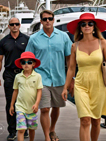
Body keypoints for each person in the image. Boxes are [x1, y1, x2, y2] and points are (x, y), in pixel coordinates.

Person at [61, 13, 106, 141]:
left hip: (99, 84)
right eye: (83, 24)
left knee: (96, 121)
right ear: (80, 28)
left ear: (94, 27)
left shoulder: (102, 43)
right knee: (85, 120)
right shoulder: (75, 46)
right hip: (81, 84)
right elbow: (71, 69)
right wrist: (65, 87)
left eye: (90, 23)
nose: (87, 26)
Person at [25, 10, 72, 141]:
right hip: (41, 79)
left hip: (59, 78)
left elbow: (69, 60)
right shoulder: (34, 39)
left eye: (50, 19)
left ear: (53, 20)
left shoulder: (63, 37)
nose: (47, 21)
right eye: (45, 19)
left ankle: (52, 130)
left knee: (56, 107)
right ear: (41, 21)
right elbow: (28, 59)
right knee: (45, 108)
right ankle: (47, 136)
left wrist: (71, 79)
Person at [0, 17, 29, 141]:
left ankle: (23, 129)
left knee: (25, 102)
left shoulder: (26, 39)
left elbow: (32, 58)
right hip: (9, 74)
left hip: (24, 74)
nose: (14, 26)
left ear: (19, 25)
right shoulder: (3, 41)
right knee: (11, 102)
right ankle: (12, 130)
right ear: (9, 26)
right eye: (12, 24)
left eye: (17, 24)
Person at [9, 51, 43, 141]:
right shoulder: (18, 77)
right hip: (20, 107)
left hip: (32, 108)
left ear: (34, 64)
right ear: (21, 64)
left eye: (29, 62)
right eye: (23, 62)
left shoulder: (37, 76)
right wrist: (12, 105)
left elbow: (39, 91)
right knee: (21, 129)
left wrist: (37, 104)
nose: (26, 64)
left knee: (32, 129)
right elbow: (15, 91)